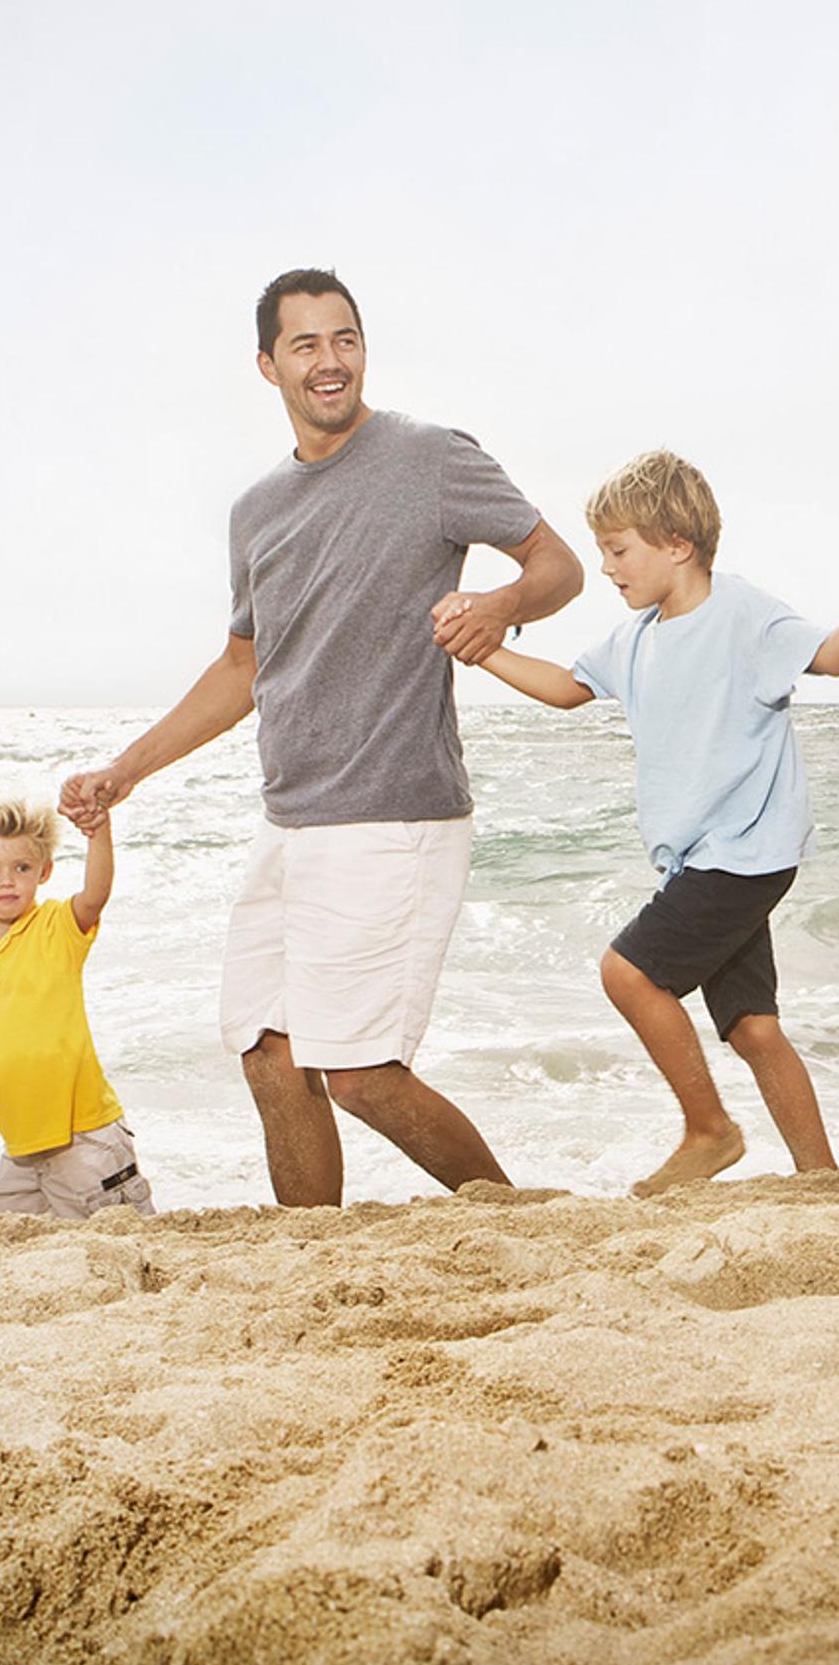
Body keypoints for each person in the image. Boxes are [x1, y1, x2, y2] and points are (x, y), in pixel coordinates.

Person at [59, 269, 585, 1206]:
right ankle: (314, 1250)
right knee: (267, 1050)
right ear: (269, 367)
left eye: (344, 339)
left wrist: (500, 605)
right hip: (290, 818)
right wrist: (125, 769)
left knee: (360, 1070)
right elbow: (240, 672)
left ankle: (525, 1222)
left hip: (395, 811)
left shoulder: (432, 457)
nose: (329, 361)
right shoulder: (255, 512)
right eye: (305, 345)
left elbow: (558, 565)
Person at [470, 451, 839, 1194]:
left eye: (618, 549)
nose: (608, 568)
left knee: (629, 972)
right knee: (752, 1028)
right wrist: (479, 654)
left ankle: (709, 1130)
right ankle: (822, 1180)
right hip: (704, 857)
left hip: (745, 850)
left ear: (677, 543)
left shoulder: (743, 613)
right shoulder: (636, 637)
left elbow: (833, 656)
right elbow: (568, 689)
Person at [0, 797, 154, 1219]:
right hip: (23, 1143)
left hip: (84, 1137)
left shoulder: (55, 928)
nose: (7, 881)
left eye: (22, 868)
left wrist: (99, 833)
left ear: (44, 872)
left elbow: (95, 896)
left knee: (109, 1237)